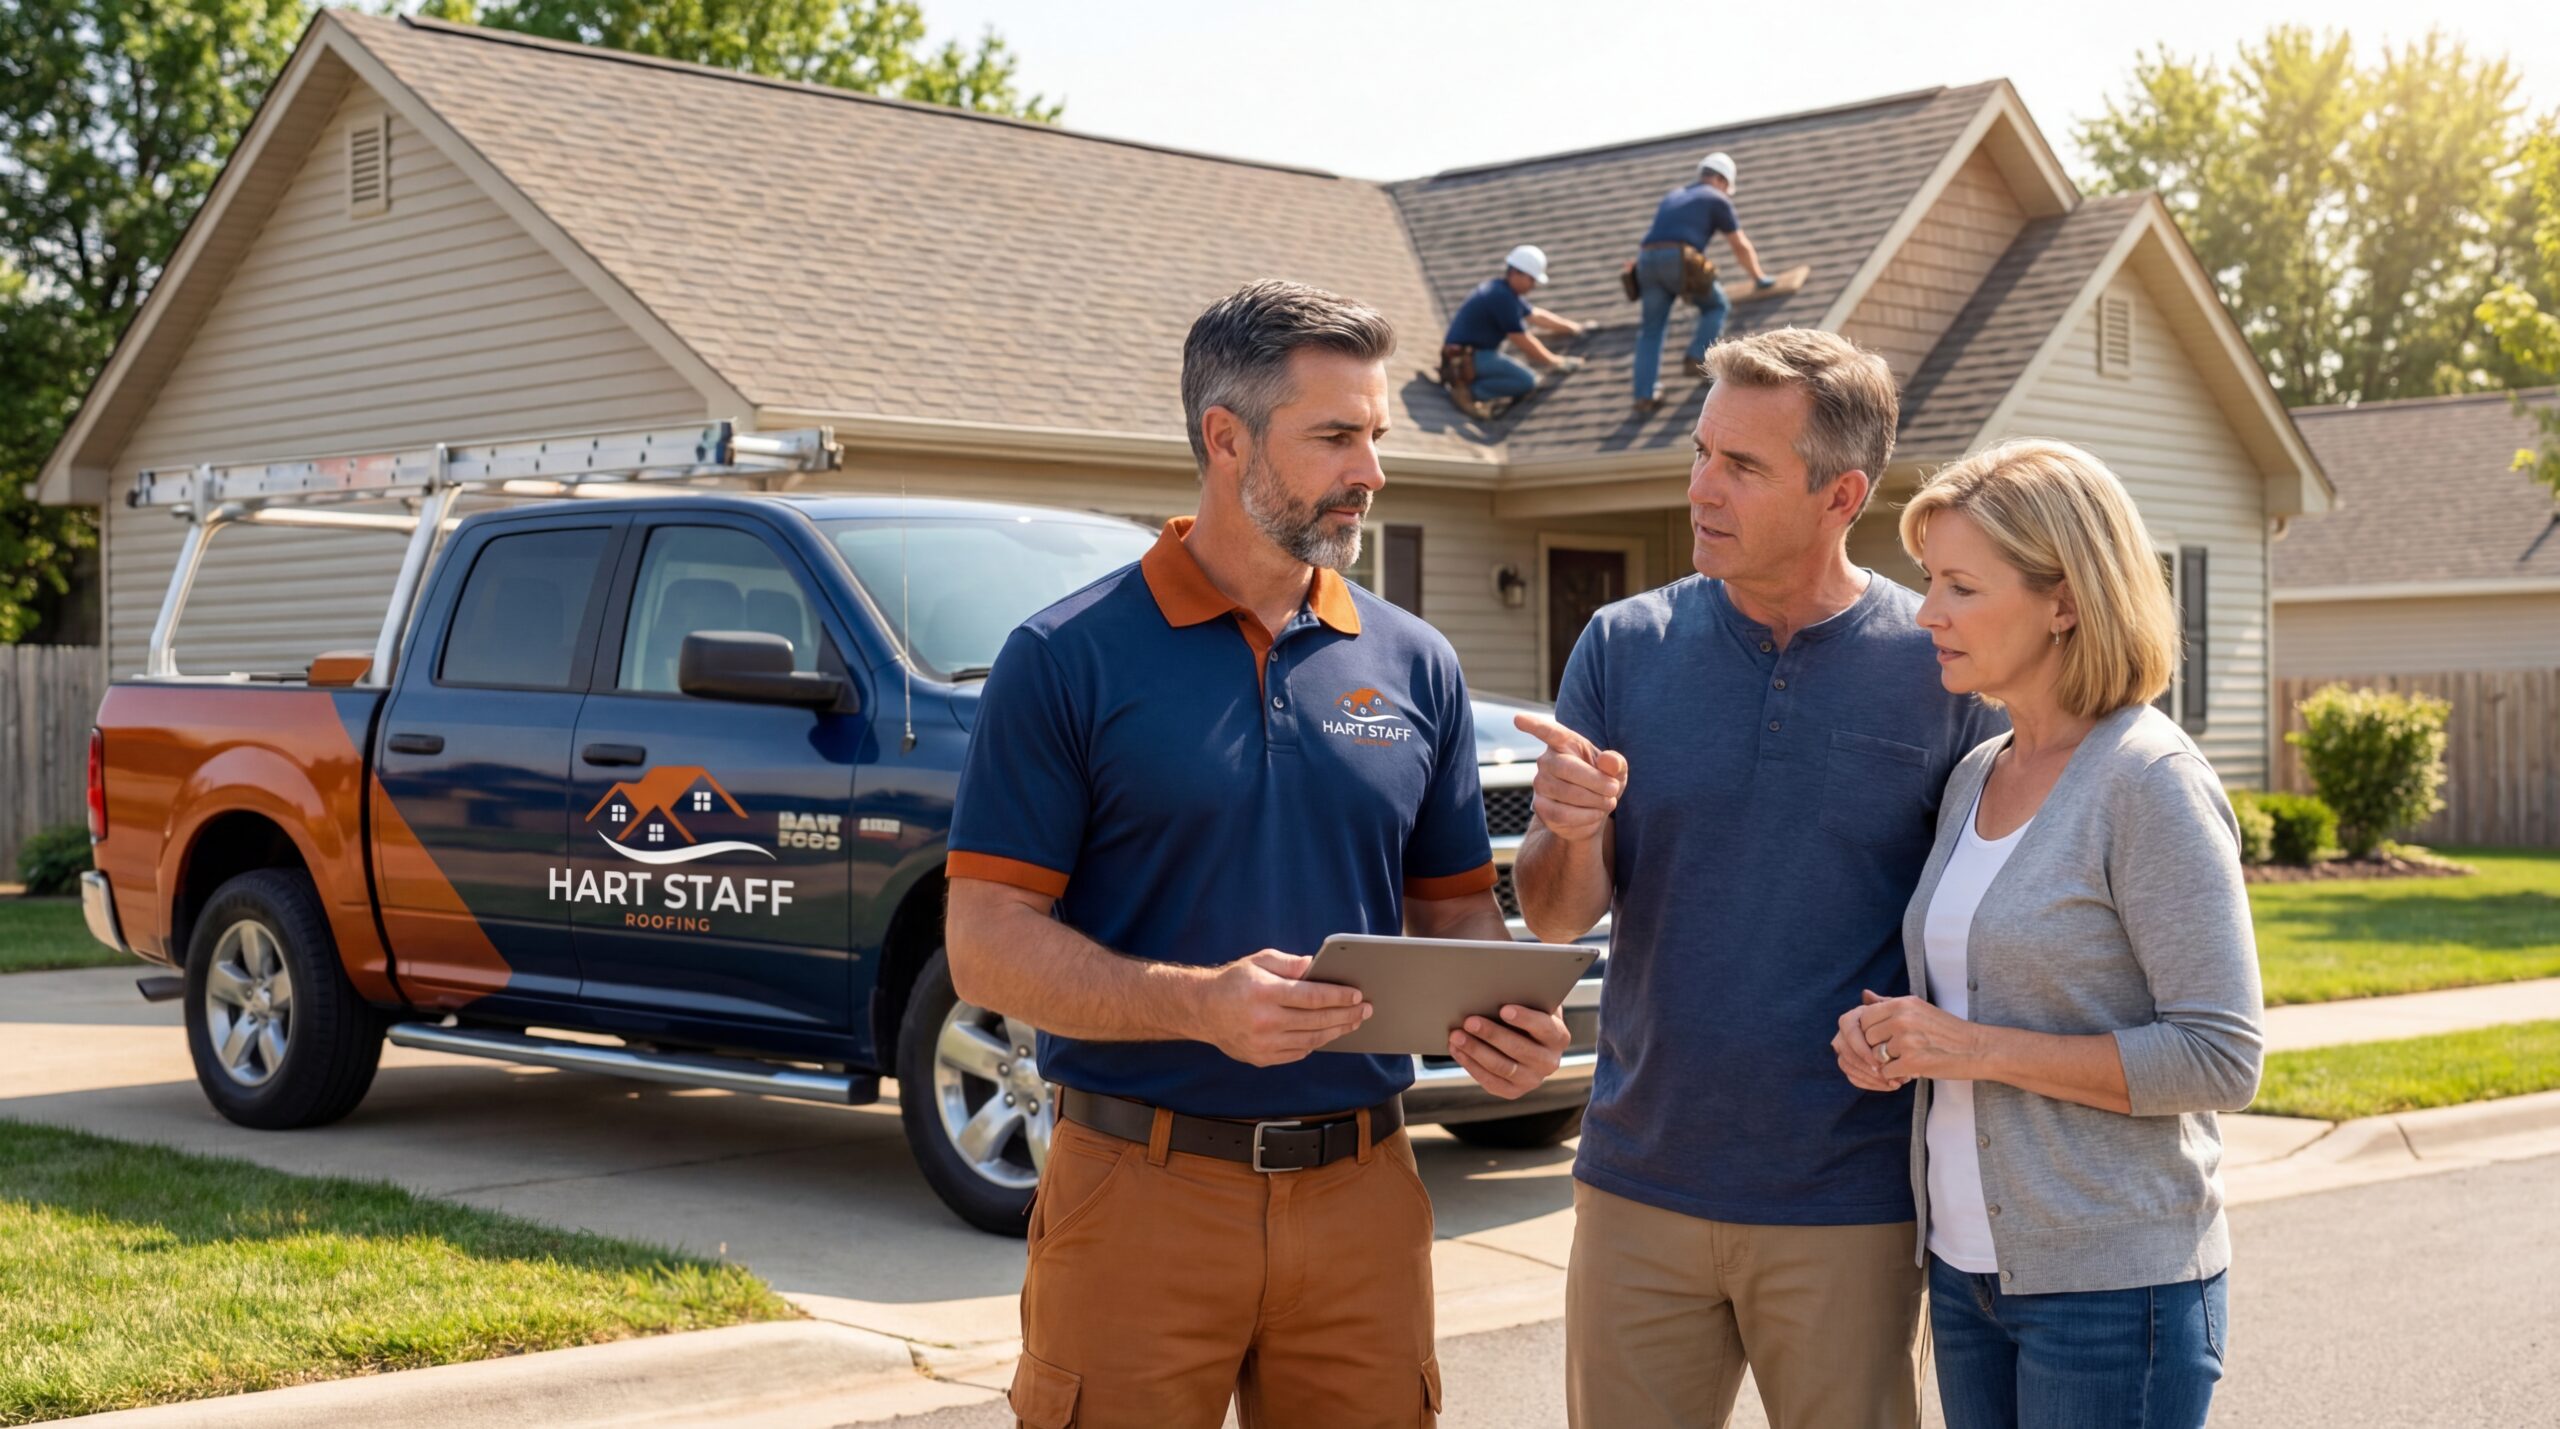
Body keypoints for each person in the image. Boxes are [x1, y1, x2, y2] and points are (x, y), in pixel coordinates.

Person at [944, 278, 1572, 1429]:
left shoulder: (1414, 661)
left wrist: (1501, 1026)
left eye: (1374, 435)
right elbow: (984, 945)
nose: (1369, 470)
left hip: (1365, 1194)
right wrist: (1198, 1005)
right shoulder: (1066, 657)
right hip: (1135, 1192)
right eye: (1334, 436)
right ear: (1225, 438)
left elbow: (1454, 920)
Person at [1511, 327, 2004, 1429]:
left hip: (1849, 1200)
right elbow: (1552, 915)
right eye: (1701, 452)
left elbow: (1990, 922)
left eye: (1742, 465)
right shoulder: (1621, 644)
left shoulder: (1941, 667)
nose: (1700, 488)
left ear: (1842, 496)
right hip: (1637, 1184)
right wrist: (1572, 829)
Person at [1830, 439, 2263, 1429]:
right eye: (1929, 580)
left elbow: (2220, 1055)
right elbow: (1971, 1006)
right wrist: (1896, 1041)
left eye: (1960, 586)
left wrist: (1973, 1049)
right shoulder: (1977, 774)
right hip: (1967, 1272)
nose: (1926, 612)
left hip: (2114, 1288)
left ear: (2062, 601)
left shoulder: (2147, 781)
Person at [1631, 151, 1775, 416]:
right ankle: (1698, 356)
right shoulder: (1716, 198)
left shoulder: (1674, 195)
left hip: (1645, 262)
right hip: (1677, 258)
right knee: (1716, 306)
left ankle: (1644, 394)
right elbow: (1739, 245)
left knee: (1651, 330)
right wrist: (1758, 277)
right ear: (1722, 180)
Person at [1442, 243, 1588, 420]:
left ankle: (1469, 387)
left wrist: (1572, 327)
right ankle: (1470, 393)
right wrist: (1555, 361)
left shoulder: (1502, 291)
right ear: (1515, 273)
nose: (1533, 285)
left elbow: (1536, 316)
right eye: (1531, 279)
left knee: (1519, 375)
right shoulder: (1501, 297)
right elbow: (1521, 339)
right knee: (1526, 381)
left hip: (1474, 356)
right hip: (1470, 357)